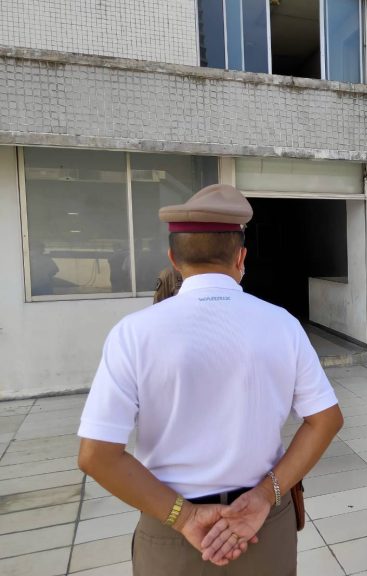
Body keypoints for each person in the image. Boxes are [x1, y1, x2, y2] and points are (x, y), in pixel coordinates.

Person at [77, 183, 343, 575]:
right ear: (241, 256)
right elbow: (326, 420)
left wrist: (183, 517)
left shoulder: (133, 333)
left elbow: (96, 455)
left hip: (172, 534)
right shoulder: (282, 324)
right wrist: (265, 494)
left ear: (173, 258)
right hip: (263, 526)